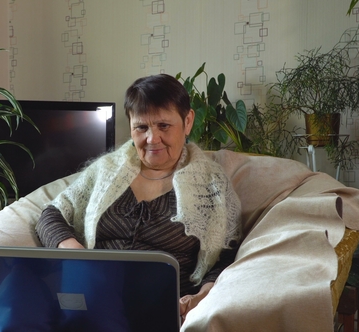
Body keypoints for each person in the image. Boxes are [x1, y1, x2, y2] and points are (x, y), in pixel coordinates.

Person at [35, 73, 242, 323]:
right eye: (141, 127)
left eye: (164, 126)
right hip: (89, 298)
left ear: (187, 121)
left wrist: (200, 296)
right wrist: (77, 254)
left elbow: (227, 257)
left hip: (159, 311)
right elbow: (51, 215)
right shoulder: (107, 171)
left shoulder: (212, 185)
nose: (152, 139)